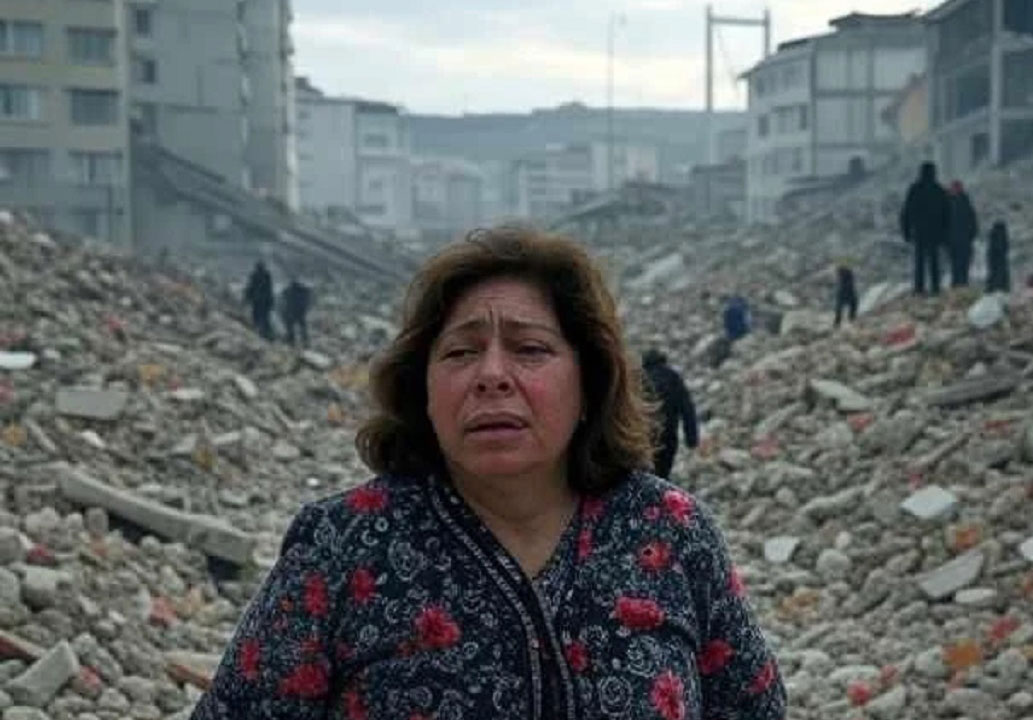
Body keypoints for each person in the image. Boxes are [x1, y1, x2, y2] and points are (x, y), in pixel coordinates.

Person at [191, 227, 786, 720]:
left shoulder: (671, 533)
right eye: (460, 353)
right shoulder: (341, 547)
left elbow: (754, 709)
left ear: (589, 382)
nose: (492, 375)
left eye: (530, 350)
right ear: (422, 388)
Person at [641, 349, 699, 479]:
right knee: (663, 472)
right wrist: (691, 438)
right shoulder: (673, 377)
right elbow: (687, 408)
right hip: (668, 434)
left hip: (644, 436)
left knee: (646, 474)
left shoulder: (640, 380)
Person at [899, 162, 951, 296]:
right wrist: (946, 235)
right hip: (935, 233)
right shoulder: (939, 190)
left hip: (919, 232)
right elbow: (947, 215)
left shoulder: (915, 189)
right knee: (934, 262)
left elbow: (906, 212)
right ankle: (935, 288)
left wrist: (906, 231)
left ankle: (919, 289)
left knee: (919, 262)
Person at [947, 181, 978, 287]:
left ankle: (960, 284)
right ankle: (959, 284)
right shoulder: (964, 203)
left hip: (960, 239)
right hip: (957, 239)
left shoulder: (961, 203)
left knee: (961, 263)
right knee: (958, 263)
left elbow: (972, 222)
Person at [243, 261, 274, 341]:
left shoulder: (257, 276)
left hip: (258, 301)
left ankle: (263, 334)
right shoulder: (266, 276)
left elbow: (250, 288)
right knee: (263, 318)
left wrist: (247, 298)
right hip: (262, 301)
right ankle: (265, 334)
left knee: (259, 318)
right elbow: (269, 290)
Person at [280, 278, 312, 347]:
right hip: (300, 311)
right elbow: (308, 295)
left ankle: (292, 340)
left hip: (292, 311)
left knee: (291, 326)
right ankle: (305, 341)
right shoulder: (302, 290)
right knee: (302, 327)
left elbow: (284, 296)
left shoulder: (289, 290)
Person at [986, 221, 1011, 293]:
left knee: (994, 271)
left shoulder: (993, 235)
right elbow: (1005, 247)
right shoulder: (1002, 236)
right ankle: (1000, 287)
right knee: (1000, 271)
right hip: (999, 258)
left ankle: (994, 287)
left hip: (994, 258)